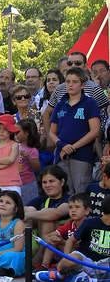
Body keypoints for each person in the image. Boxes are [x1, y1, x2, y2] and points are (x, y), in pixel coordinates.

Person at [49, 66, 101, 194]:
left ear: (82, 85)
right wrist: (62, 145)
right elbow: (52, 132)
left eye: (75, 82)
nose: (70, 85)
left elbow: (94, 131)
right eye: (68, 81)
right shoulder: (60, 104)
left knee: (81, 192)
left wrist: (73, 147)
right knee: (65, 192)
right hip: (62, 154)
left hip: (82, 156)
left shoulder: (89, 103)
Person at [50, 195, 110, 282]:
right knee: (71, 259)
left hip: (106, 265)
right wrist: (66, 256)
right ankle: (61, 275)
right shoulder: (90, 223)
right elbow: (71, 240)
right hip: (85, 261)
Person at [37, 192, 91, 274]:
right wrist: (54, 237)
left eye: (77, 207)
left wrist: (62, 241)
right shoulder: (70, 223)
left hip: (81, 255)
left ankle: (63, 268)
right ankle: (44, 267)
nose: (73, 210)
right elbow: (50, 235)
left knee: (67, 246)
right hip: (67, 252)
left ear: (87, 211)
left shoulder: (90, 224)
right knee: (53, 241)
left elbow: (80, 245)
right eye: (70, 207)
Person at [0, 114, 22, 195]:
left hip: (13, 183)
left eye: (5, 129)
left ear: (10, 131)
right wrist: (4, 165)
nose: (1, 131)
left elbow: (11, 159)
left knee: (15, 205)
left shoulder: (14, 145)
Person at [15, 119, 41, 205]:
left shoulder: (32, 150)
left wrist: (28, 157)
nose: (15, 134)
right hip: (16, 183)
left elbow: (37, 168)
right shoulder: (15, 146)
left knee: (29, 206)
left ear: (26, 133)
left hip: (28, 184)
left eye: (17, 132)